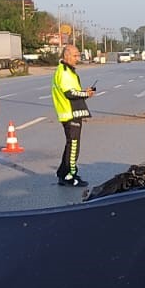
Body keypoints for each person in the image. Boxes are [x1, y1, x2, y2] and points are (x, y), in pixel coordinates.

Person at [52, 43, 95, 186]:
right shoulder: (63, 71)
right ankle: (71, 176)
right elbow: (69, 93)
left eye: (78, 55)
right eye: (75, 55)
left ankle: (62, 173)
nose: (78, 58)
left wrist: (84, 92)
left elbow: (73, 90)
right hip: (69, 114)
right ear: (67, 55)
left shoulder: (68, 71)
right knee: (73, 147)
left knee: (70, 145)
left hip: (73, 112)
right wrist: (85, 94)